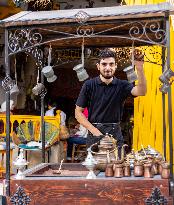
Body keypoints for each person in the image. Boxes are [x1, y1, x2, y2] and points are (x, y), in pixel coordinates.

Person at [75, 48, 147, 151]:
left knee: (117, 166)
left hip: (115, 134)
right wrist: (96, 133)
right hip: (94, 134)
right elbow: (78, 113)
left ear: (115, 66)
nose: (108, 68)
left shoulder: (123, 85)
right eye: (104, 64)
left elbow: (141, 91)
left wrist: (139, 68)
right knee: (95, 167)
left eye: (111, 64)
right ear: (98, 66)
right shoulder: (89, 85)